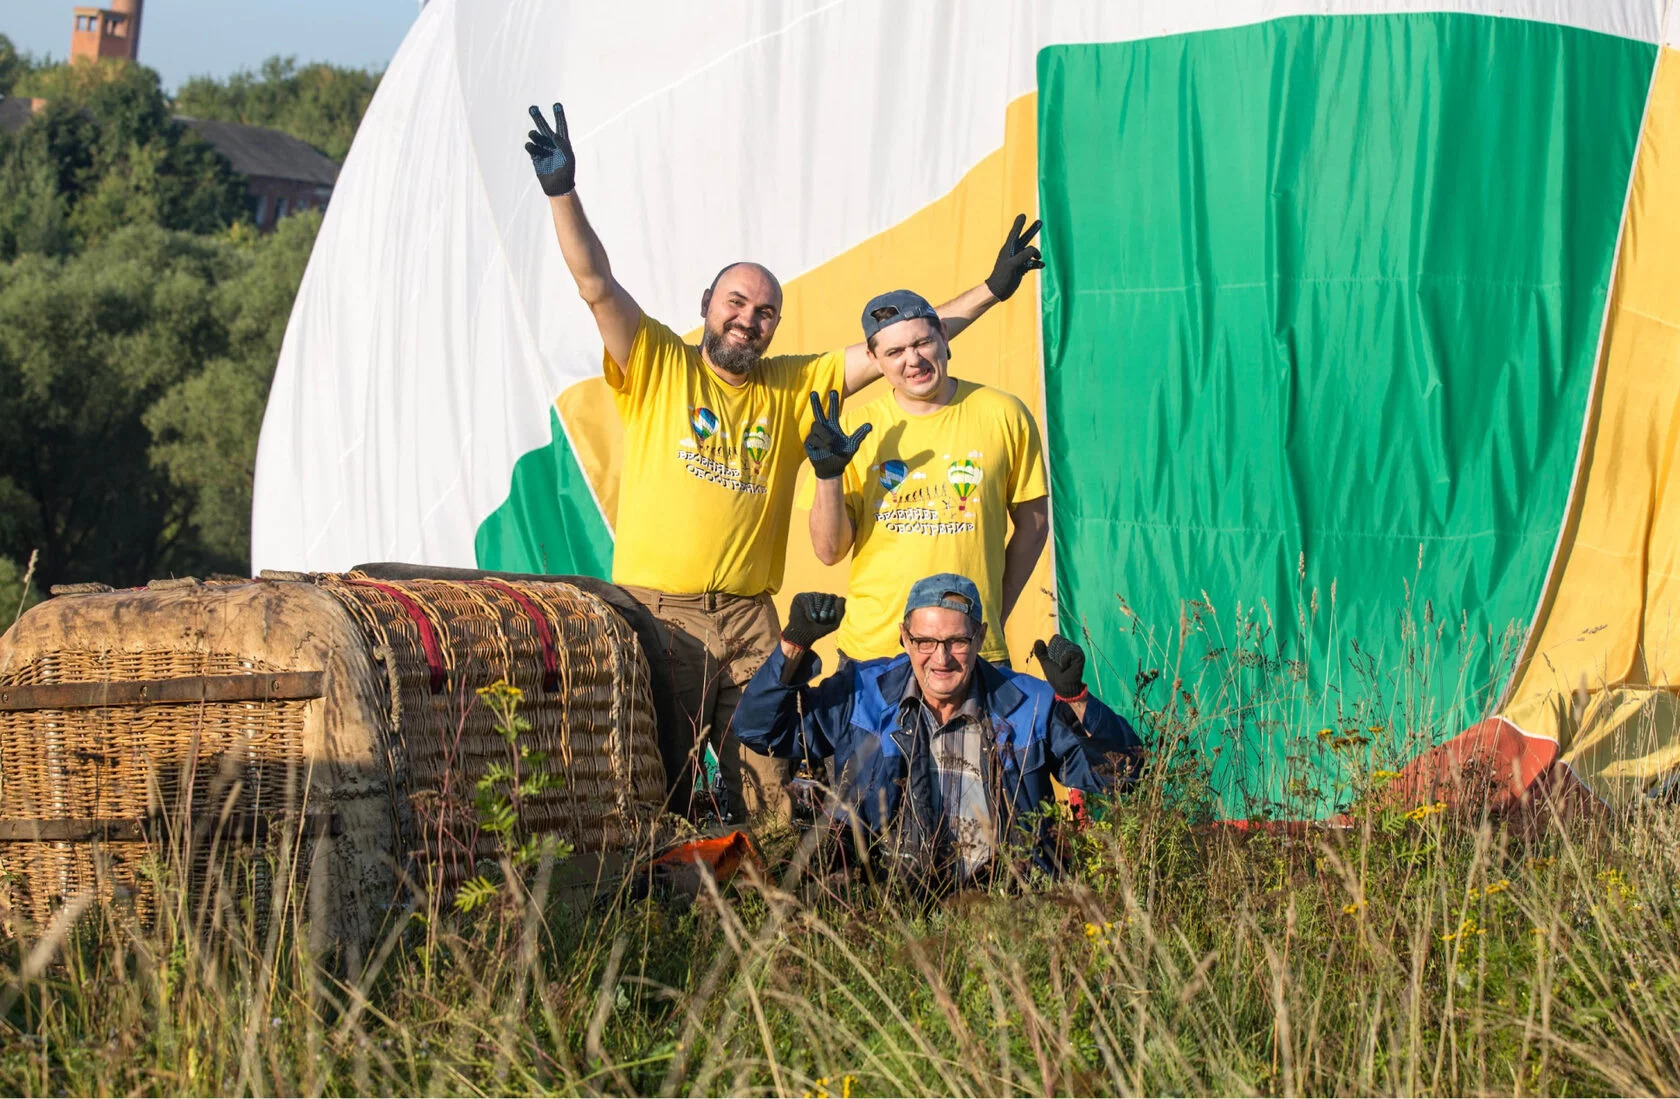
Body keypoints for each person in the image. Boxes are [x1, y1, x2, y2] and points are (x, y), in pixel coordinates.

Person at [523, 102, 1045, 822]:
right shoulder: (658, 363)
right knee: (663, 778)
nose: (749, 317)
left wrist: (992, 290)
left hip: (752, 619)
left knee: (769, 777)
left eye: (765, 310)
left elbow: (901, 344)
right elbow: (597, 286)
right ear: (708, 304)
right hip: (662, 609)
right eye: (736, 301)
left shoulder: (794, 383)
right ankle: (672, 917)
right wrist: (562, 192)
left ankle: (772, 907)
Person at [733, 573, 1143, 889]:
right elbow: (758, 730)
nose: (941, 659)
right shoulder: (862, 694)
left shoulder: (1029, 705)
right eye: (925, 641)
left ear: (981, 637)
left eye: (957, 641)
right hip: (880, 908)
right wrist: (793, 645)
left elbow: (1128, 775)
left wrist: (1076, 700)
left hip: (1005, 907)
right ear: (904, 638)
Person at [801, 284, 1049, 668]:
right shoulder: (853, 429)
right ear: (874, 358)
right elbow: (829, 551)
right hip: (874, 653)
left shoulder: (1004, 413)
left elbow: (1033, 524)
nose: (912, 360)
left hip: (970, 650)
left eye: (921, 343)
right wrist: (828, 476)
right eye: (895, 352)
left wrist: (993, 614)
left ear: (944, 336)